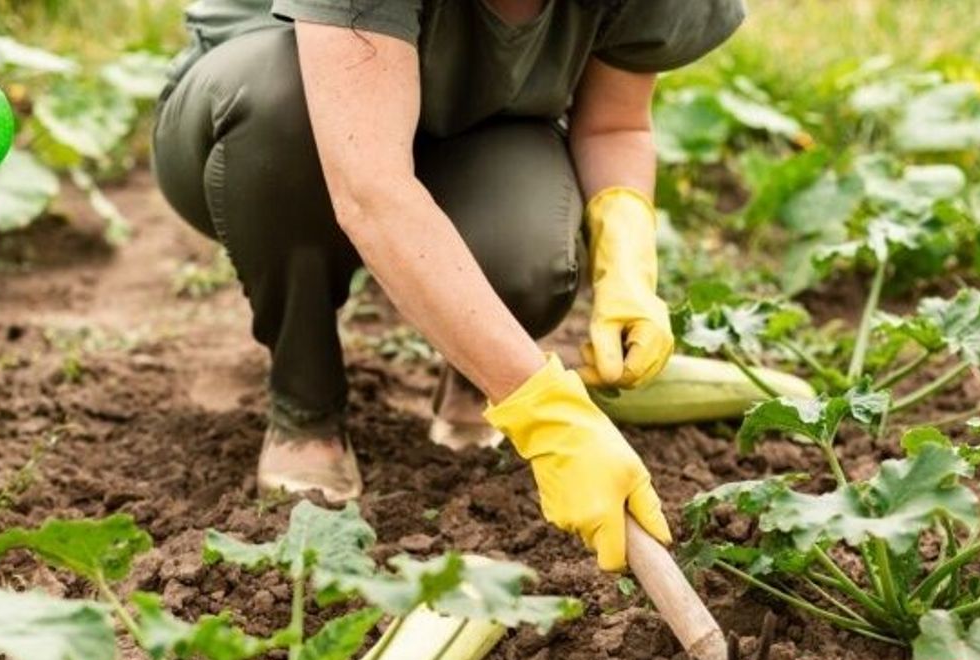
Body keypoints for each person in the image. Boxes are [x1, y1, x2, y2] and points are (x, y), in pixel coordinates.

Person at [153, 0, 744, 570]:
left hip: (478, 123)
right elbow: (371, 190)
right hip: (273, 113)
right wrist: (545, 412)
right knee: (284, 107)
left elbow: (615, 124)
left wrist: (627, 262)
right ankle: (305, 398)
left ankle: (473, 368)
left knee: (529, 259)